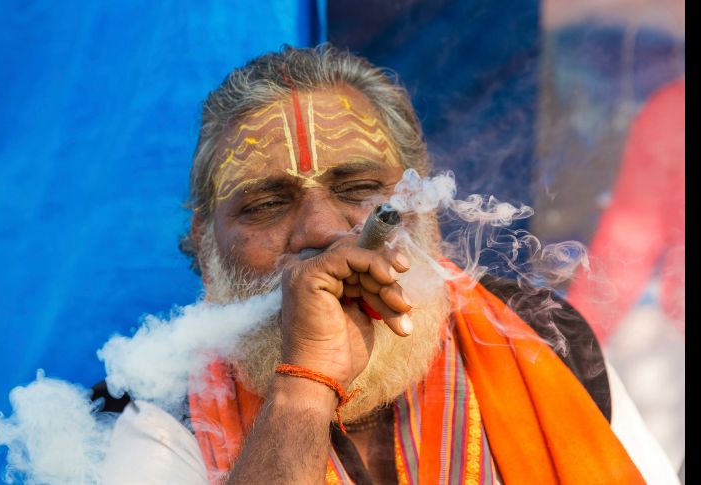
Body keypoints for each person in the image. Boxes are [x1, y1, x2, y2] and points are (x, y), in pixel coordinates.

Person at [97, 45, 678, 484]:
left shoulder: (542, 339)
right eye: (269, 203)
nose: (324, 231)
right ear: (204, 244)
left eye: (358, 187)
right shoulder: (157, 413)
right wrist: (305, 386)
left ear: (424, 209)